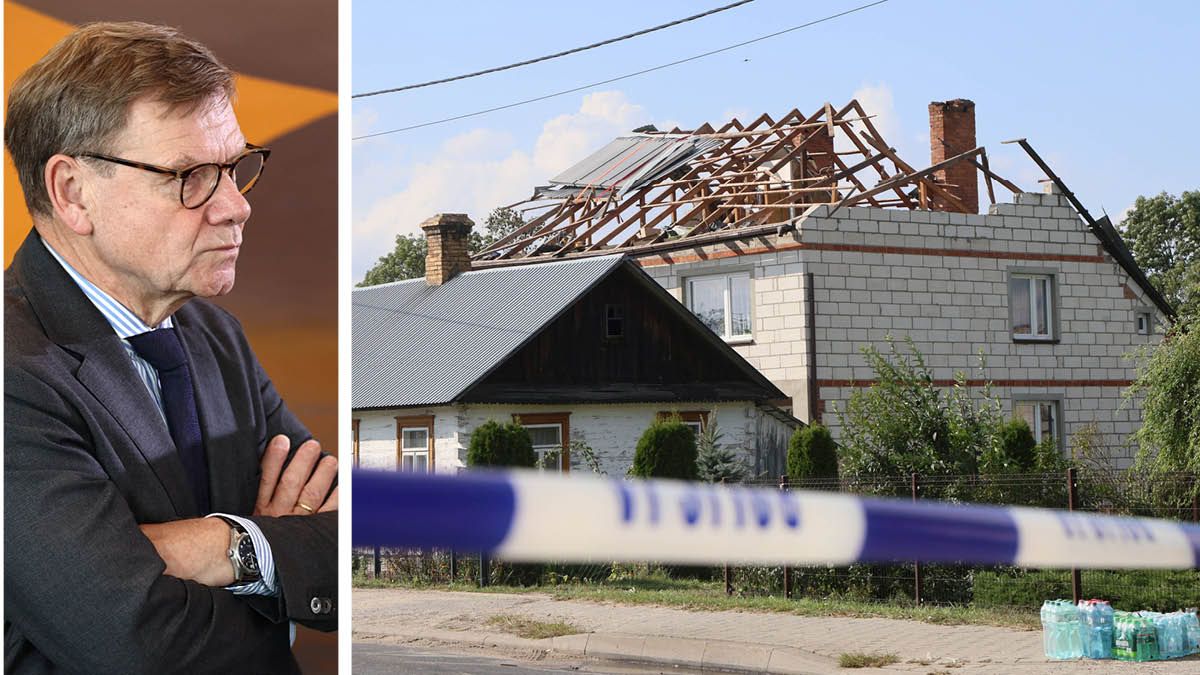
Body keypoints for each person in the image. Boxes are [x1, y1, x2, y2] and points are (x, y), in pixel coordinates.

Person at [4, 21, 337, 673]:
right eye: (190, 175)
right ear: (73, 192)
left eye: (236, 167)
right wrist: (271, 558)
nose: (234, 208)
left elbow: (344, 540)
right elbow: (134, 644)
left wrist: (222, 543)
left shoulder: (218, 337)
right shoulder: (11, 373)